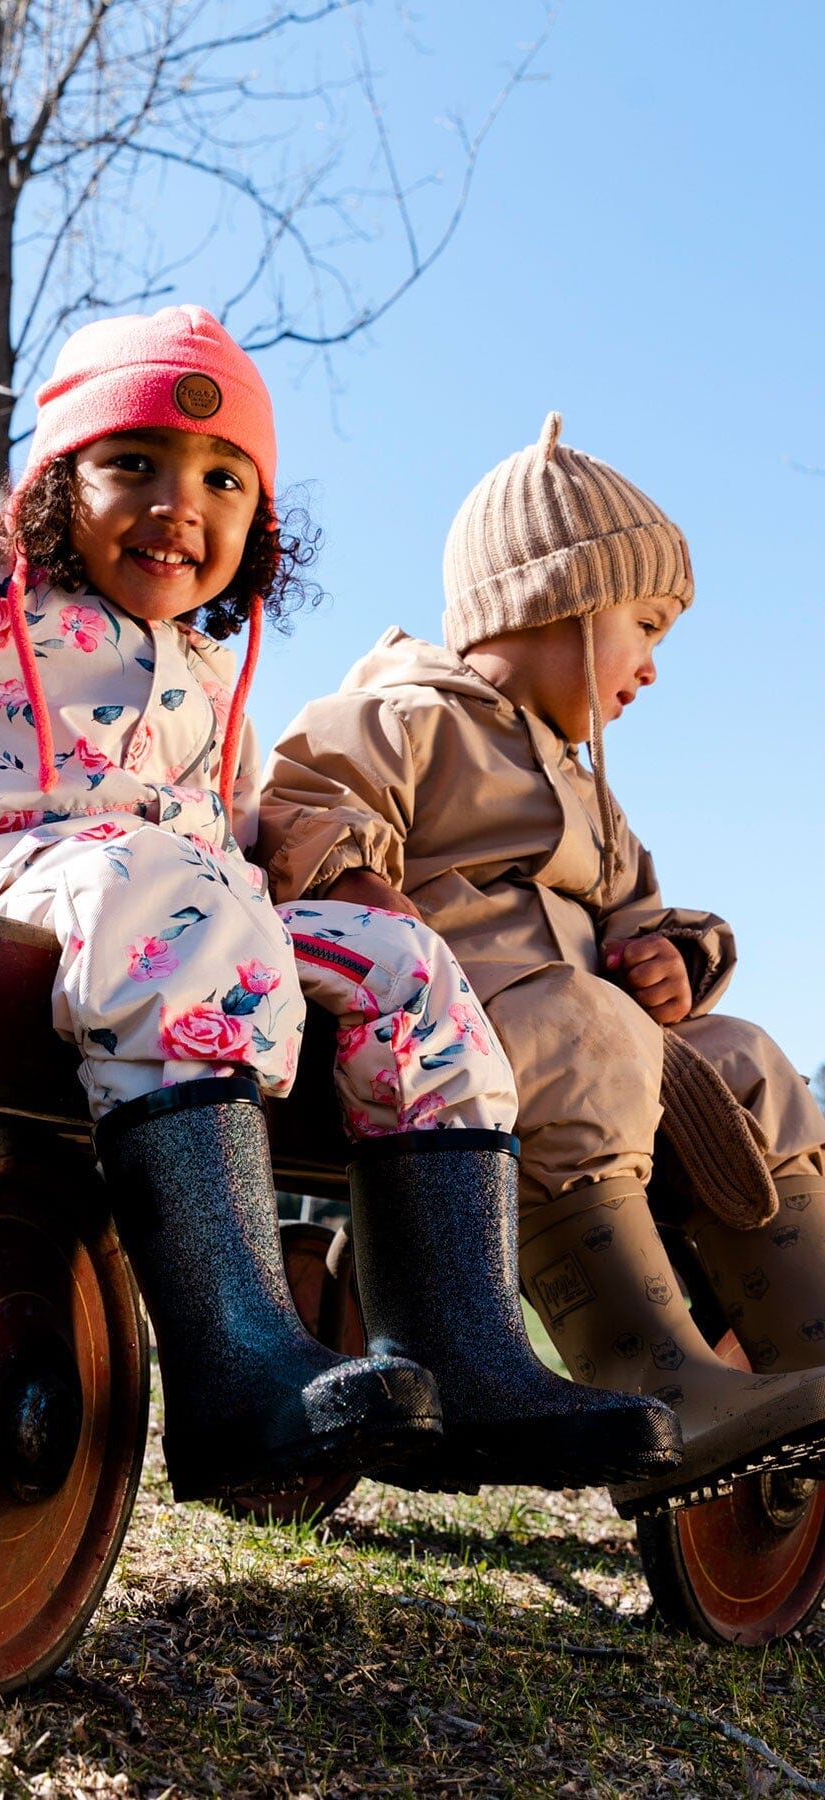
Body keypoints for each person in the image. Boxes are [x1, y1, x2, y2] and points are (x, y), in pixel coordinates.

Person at [0, 176, 677, 1502]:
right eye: (135, 465)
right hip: (4, 910)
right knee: (177, 888)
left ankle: (467, 1350)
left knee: (400, 963)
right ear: (56, 485)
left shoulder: (210, 684)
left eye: (224, 479)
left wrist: (344, 875)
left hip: (178, 931)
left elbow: (261, 830)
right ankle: (232, 1363)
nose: (181, 504)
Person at [259, 410, 825, 1512]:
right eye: (644, 625)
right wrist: (366, 891)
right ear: (553, 603)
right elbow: (308, 804)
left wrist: (669, 957)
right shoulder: (404, 713)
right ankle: (654, 1369)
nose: (653, 669)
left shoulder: (590, 793)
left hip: (596, 1038)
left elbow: (644, 913)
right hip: (450, 1038)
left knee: (750, 1059)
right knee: (587, 1027)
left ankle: (802, 1335)